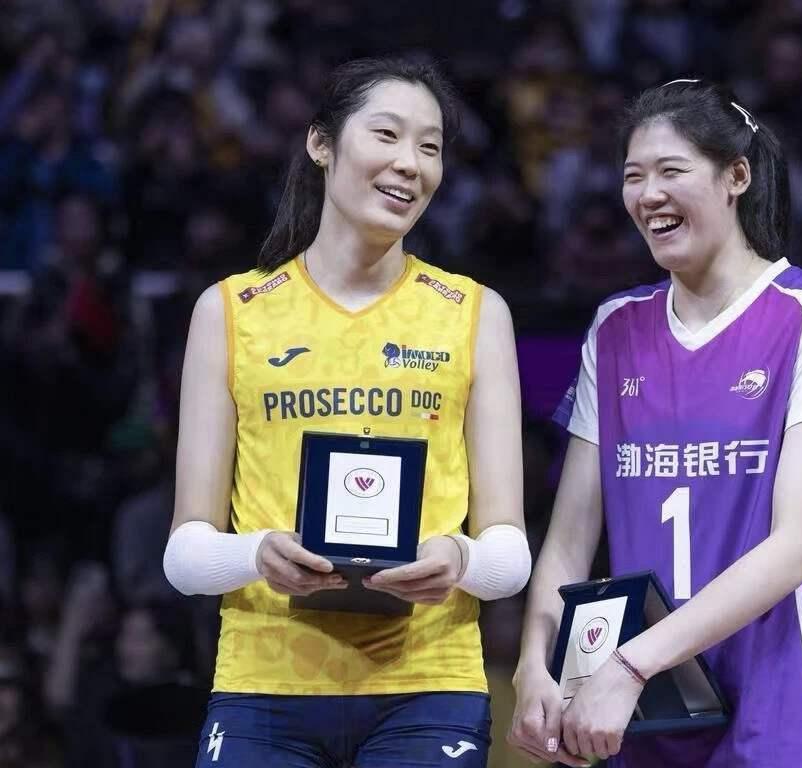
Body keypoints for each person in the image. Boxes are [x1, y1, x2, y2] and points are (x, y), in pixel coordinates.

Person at [162, 58, 531, 768]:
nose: (410, 163)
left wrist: (459, 559)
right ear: (321, 143)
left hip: (428, 686)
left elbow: (509, 554)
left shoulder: (475, 314)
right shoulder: (231, 311)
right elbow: (184, 554)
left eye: (430, 147)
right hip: (264, 687)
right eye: (386, 134)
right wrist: (257, 554)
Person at [510, 79, 802, 767]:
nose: (647, 194)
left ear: (736, 176)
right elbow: (567, 544)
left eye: (670, 171)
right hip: (641, 720)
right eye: (633, 176)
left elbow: (795, 548)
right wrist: (536, 664)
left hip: (776, 712)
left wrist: (629, 665)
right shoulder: (614, 327)